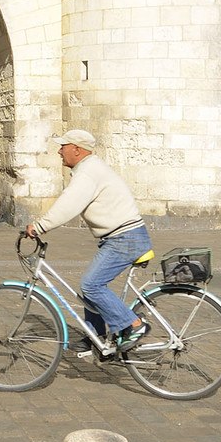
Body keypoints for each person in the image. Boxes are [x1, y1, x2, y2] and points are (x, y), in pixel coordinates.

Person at [26, 129, 149, 351]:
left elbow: (69, 204)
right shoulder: (89, 169)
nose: (59, 151)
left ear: (76, 149)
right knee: (91, 286)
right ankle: (96, 337)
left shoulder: (88, 172)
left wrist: (40, 227)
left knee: (91, 285)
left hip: (125, 238)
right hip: (120, 237)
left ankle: (134, 324)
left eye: (62, 147)